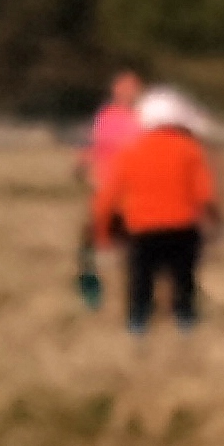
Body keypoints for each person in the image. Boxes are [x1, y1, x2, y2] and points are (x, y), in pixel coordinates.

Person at [90, 87, 220, 332]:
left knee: (141, 282)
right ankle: (186, 323)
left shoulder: (130, 152)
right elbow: (206, 194)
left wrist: (103, 235)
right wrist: (215, 221)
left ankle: (138, 324)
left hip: (141, 230)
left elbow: (106, 199)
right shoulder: (191, 150)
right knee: (183, 281)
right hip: (183, 229)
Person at [74, 72, 145, 309]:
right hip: (104, 188)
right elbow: (93, 144)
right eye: (121, 90)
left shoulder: (144, 119)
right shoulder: (105, 116)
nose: (126, 94)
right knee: (91, 242)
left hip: (134, 193)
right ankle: (91, 293)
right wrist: (83, 163)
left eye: (131, 90)